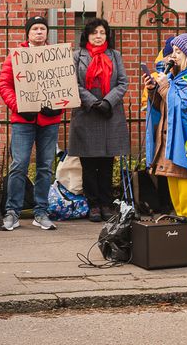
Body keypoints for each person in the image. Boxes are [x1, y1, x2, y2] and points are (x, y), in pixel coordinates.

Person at [144, 34, 187, 260]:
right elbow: (165, 104)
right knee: (177, 199)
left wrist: (165, 87)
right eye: (172, 51)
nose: (172, 56)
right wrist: (154, 89)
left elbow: (186, 107)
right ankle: (186, 240)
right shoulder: (177, 76)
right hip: (170, 144)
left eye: (177, 52)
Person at [0, 16, 62, 231]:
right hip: (23, 120)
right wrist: (19, 106)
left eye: (43, 28)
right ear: (28, 33)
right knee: (19, 165)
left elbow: (64, 84)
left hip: (49, 120)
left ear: (47, 32)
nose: (39, 32)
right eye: (35, 28)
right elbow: (4, 85)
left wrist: (58, 106)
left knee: (45, 167)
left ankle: (41, 212)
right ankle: (12, 212)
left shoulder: (56, 56)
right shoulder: (16, 56)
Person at [68, 18, 128, 223]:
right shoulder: (77, 56)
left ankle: (106, 203)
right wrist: (94, 102)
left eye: (102, 32)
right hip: (87, 114)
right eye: (94, 32)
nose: (98, 36)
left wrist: (108, 102)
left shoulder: (115, 55)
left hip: (110, 115)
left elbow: (122, 82)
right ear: (87, 35)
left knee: (106, 163)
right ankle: (93, 204)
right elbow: (73, 83)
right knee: (88, 163)